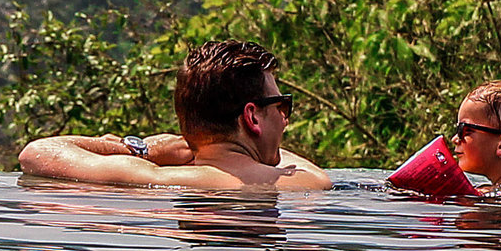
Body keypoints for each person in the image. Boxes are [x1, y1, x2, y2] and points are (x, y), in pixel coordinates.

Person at [18, 38, 332, 191]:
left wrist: (143, 149)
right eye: (280, 106)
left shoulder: (156, 179)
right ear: (251, 117)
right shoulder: (293, 185)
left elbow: (37, 153)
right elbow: (316, 177)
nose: (284, 119)